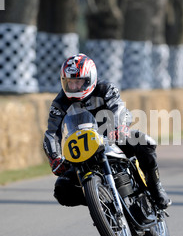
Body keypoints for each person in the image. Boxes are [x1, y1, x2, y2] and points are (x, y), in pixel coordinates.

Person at [43, 53, 171, 210]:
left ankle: (156, 188)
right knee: (62, 190)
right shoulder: (59, 102)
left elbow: (118, 108)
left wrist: (119, 127)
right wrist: (54, 158)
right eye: (69, 82)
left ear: (90, 79)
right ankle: (101, 200)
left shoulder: (105, 88)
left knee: (146, 143)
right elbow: (51, 133)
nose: (74, 87)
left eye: (78, 82)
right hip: (82, 147)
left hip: (112, 135)